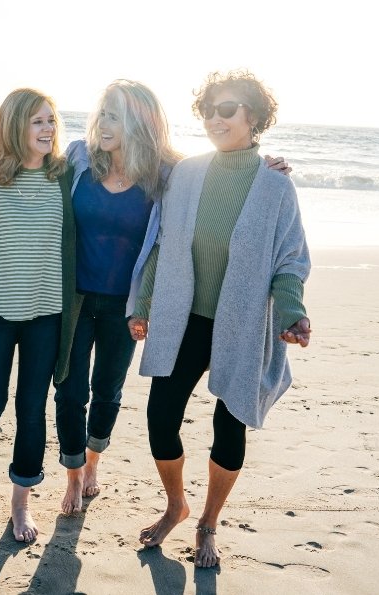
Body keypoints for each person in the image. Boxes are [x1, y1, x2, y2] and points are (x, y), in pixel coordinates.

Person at [56, 80, 291, 515]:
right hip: (88, 301)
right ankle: (95, 482)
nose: (104, 124)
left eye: (116, 116)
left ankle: (105, 470)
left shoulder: (167, 172)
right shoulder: (78, 157)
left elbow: (277, 244)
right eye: (102, 113)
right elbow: (28, 164)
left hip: (153, 308)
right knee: (76, 393)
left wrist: (266, 173)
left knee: (112, 391)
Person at [129, 69, 312, 569]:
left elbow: (290, 260)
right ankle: (176, 506)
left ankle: (208, 521)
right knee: (160, 420)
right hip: (183, 319)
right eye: (208, 110)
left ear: (254, 117)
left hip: (242, 324)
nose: (215, 118)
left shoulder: (274, 186)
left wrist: (293, 312)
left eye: (227, 109)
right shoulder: (186, 174)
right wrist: (141, 305)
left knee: (229, 428)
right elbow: (161, 245)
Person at [0, 87, 78, 543]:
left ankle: (20, 502)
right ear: (14, 126)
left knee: (32, 409)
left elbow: (131, 165)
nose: (48, 129)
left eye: (51, 120)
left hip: (47, 313)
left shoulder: (67, 174)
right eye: (37, 122)